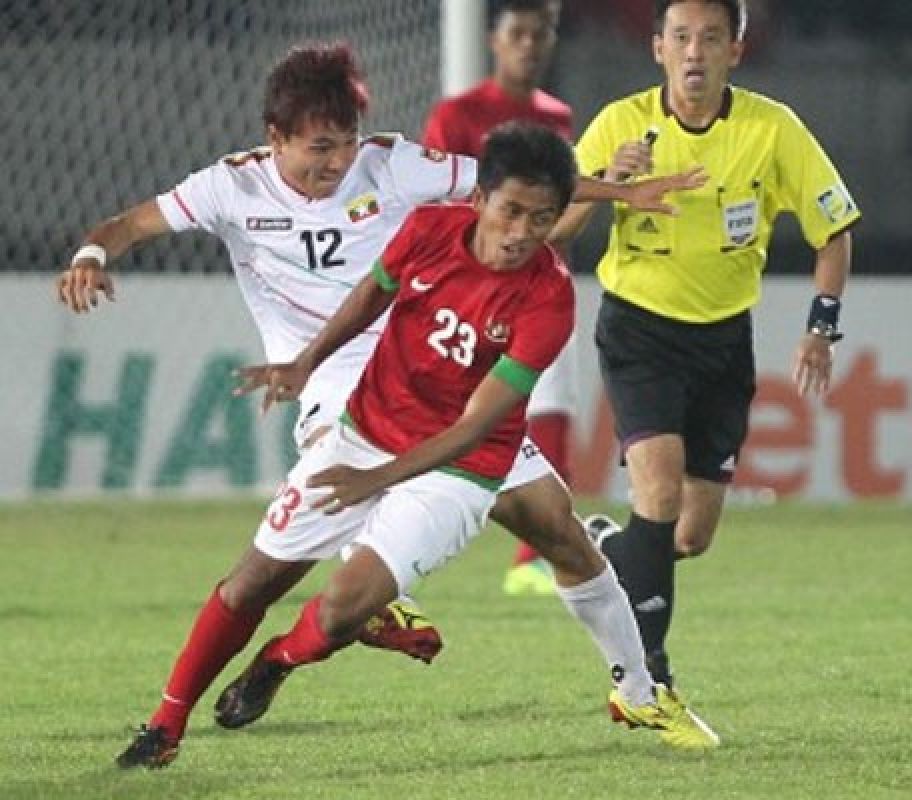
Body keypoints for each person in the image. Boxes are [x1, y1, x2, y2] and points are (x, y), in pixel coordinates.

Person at [56, 43, 713, 768]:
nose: (335, 162)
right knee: (261, 577)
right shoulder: (231, 189)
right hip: (349, 387)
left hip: (447, 404)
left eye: (344, 144)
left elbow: (519, 186)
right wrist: (92, 256)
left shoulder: (409, 179)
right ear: (275, 138)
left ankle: (636, 686)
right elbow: (129, 226)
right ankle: (188, 710)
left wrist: (619, 194)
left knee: (556, 526)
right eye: (318, 148)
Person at [204, 122, 715, 763]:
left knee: (565, 536)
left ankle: (639, 691)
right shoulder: (425, 220)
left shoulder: (545, 290)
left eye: (542, 218)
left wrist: (613, 191)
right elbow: (377, 288)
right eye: (511, 212)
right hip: (386, 415)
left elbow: (476, 424)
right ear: (480, 201)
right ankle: (282, 654)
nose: (524, 230)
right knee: (339, 611)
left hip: (473, 437)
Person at [554, 0, 861, 690]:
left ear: (736, 53)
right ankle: (647, 678)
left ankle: (605, 550)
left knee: (686, 536)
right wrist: (612, 185)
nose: (695, 52)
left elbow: (833, 230)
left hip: (723, 342)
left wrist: (821, 328)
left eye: (712, 39)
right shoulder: (621, 124)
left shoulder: (771, 129)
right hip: (639, 330)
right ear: (658, 48)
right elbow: (554, 228)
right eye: (682, 38)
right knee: (656, 494)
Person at [424, 0, 578, 597]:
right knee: (444, 416)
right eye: (518, 33)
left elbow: (559, 219)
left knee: (554, 405)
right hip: (475, 294)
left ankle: (532, 559)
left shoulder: (558, 117)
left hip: (540, 290)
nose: (530, 44)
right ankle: (391, 546)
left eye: (541, 34)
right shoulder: (458, 115)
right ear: (493, 39)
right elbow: (439, 204)